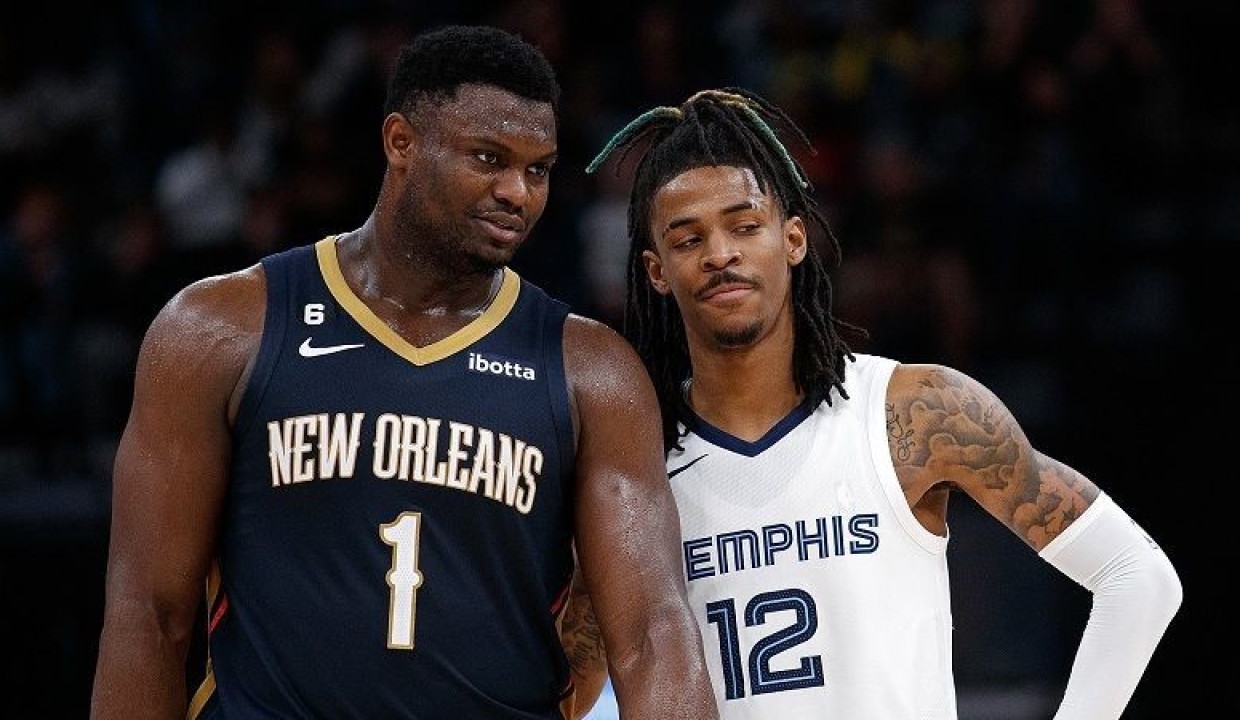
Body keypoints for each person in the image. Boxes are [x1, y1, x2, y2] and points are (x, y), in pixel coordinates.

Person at [90, 25, 718, 720]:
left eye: (537, 169)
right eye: (489, 157)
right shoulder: (219, 329)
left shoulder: (591, 371)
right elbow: (149, 614)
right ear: (401, 142)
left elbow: (652, 637)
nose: (517, 191)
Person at [584, 87, 1182, 719]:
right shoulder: (632, 465)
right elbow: (568, 685)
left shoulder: (919, 414)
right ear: (655, 271)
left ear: (793, 239)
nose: (720, 254)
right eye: (687, 239)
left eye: (744, 225)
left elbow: (1137, 577)